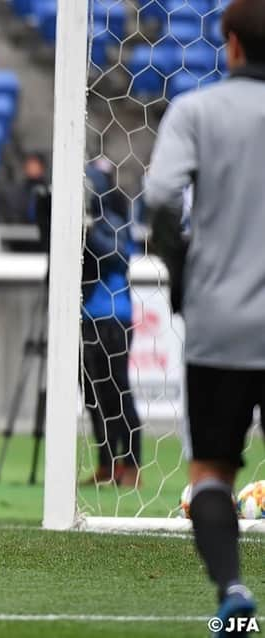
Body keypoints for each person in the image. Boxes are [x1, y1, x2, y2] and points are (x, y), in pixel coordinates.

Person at [144, 0, 264, 630]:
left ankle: (234, 598)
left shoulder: (197, 110)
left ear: (231, 44)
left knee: (212, 470)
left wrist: (181, 268)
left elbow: (162, 196)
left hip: (220, 322)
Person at [80, 159, 141, 488]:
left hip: (115, 317)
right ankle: (106, 462)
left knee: (119, 390)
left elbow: (118, 257)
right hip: (88, 317)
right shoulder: (80, 223)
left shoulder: (114, 222)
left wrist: (89, 230)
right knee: (95, 394)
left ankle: (132, 464)